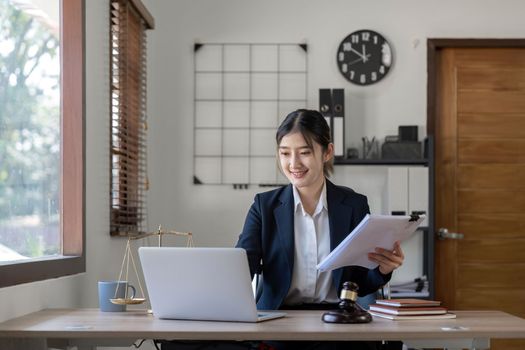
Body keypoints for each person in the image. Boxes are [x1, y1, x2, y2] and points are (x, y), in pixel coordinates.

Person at [235, 109, 405, 350]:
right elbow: (241, 269)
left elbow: (361, 282)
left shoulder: (354, 205)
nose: (293, 164)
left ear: (327, 152)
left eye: (304, 153)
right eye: (285, 154)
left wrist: (383, 268)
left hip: (337, 322)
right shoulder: (264, 207)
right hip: (278, 323)